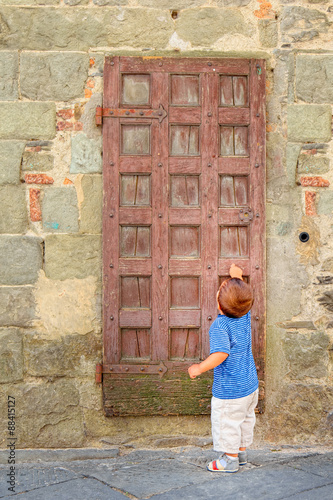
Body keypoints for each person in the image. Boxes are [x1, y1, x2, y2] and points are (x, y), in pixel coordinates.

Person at [188, 264, 259, 473]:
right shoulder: (244, 315)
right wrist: (238, 278)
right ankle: (241, 453)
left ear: (219, 306)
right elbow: (242, 299)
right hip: (250, 385)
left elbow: (220, 354)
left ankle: (229, 460)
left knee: (228, 424)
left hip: (230, 391)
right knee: (245, 421)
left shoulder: (220, 326)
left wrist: (199, 368)